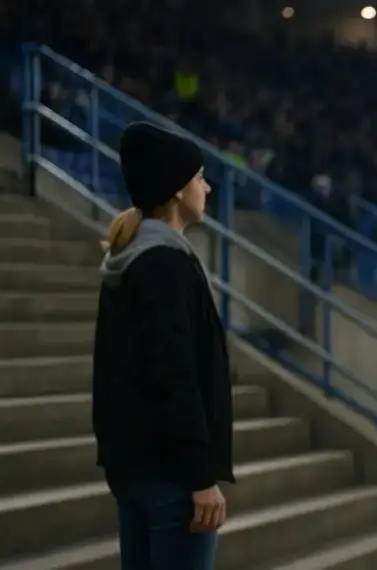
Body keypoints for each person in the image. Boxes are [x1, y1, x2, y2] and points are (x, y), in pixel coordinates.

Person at [92, 122, 234, 570]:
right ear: (176, 190)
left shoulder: (131, 259)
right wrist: (199, 476)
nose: (207, 187)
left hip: (135, 471)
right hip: (173, 479)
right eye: (199, 177)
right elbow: (175, 376)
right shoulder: (165, 265)